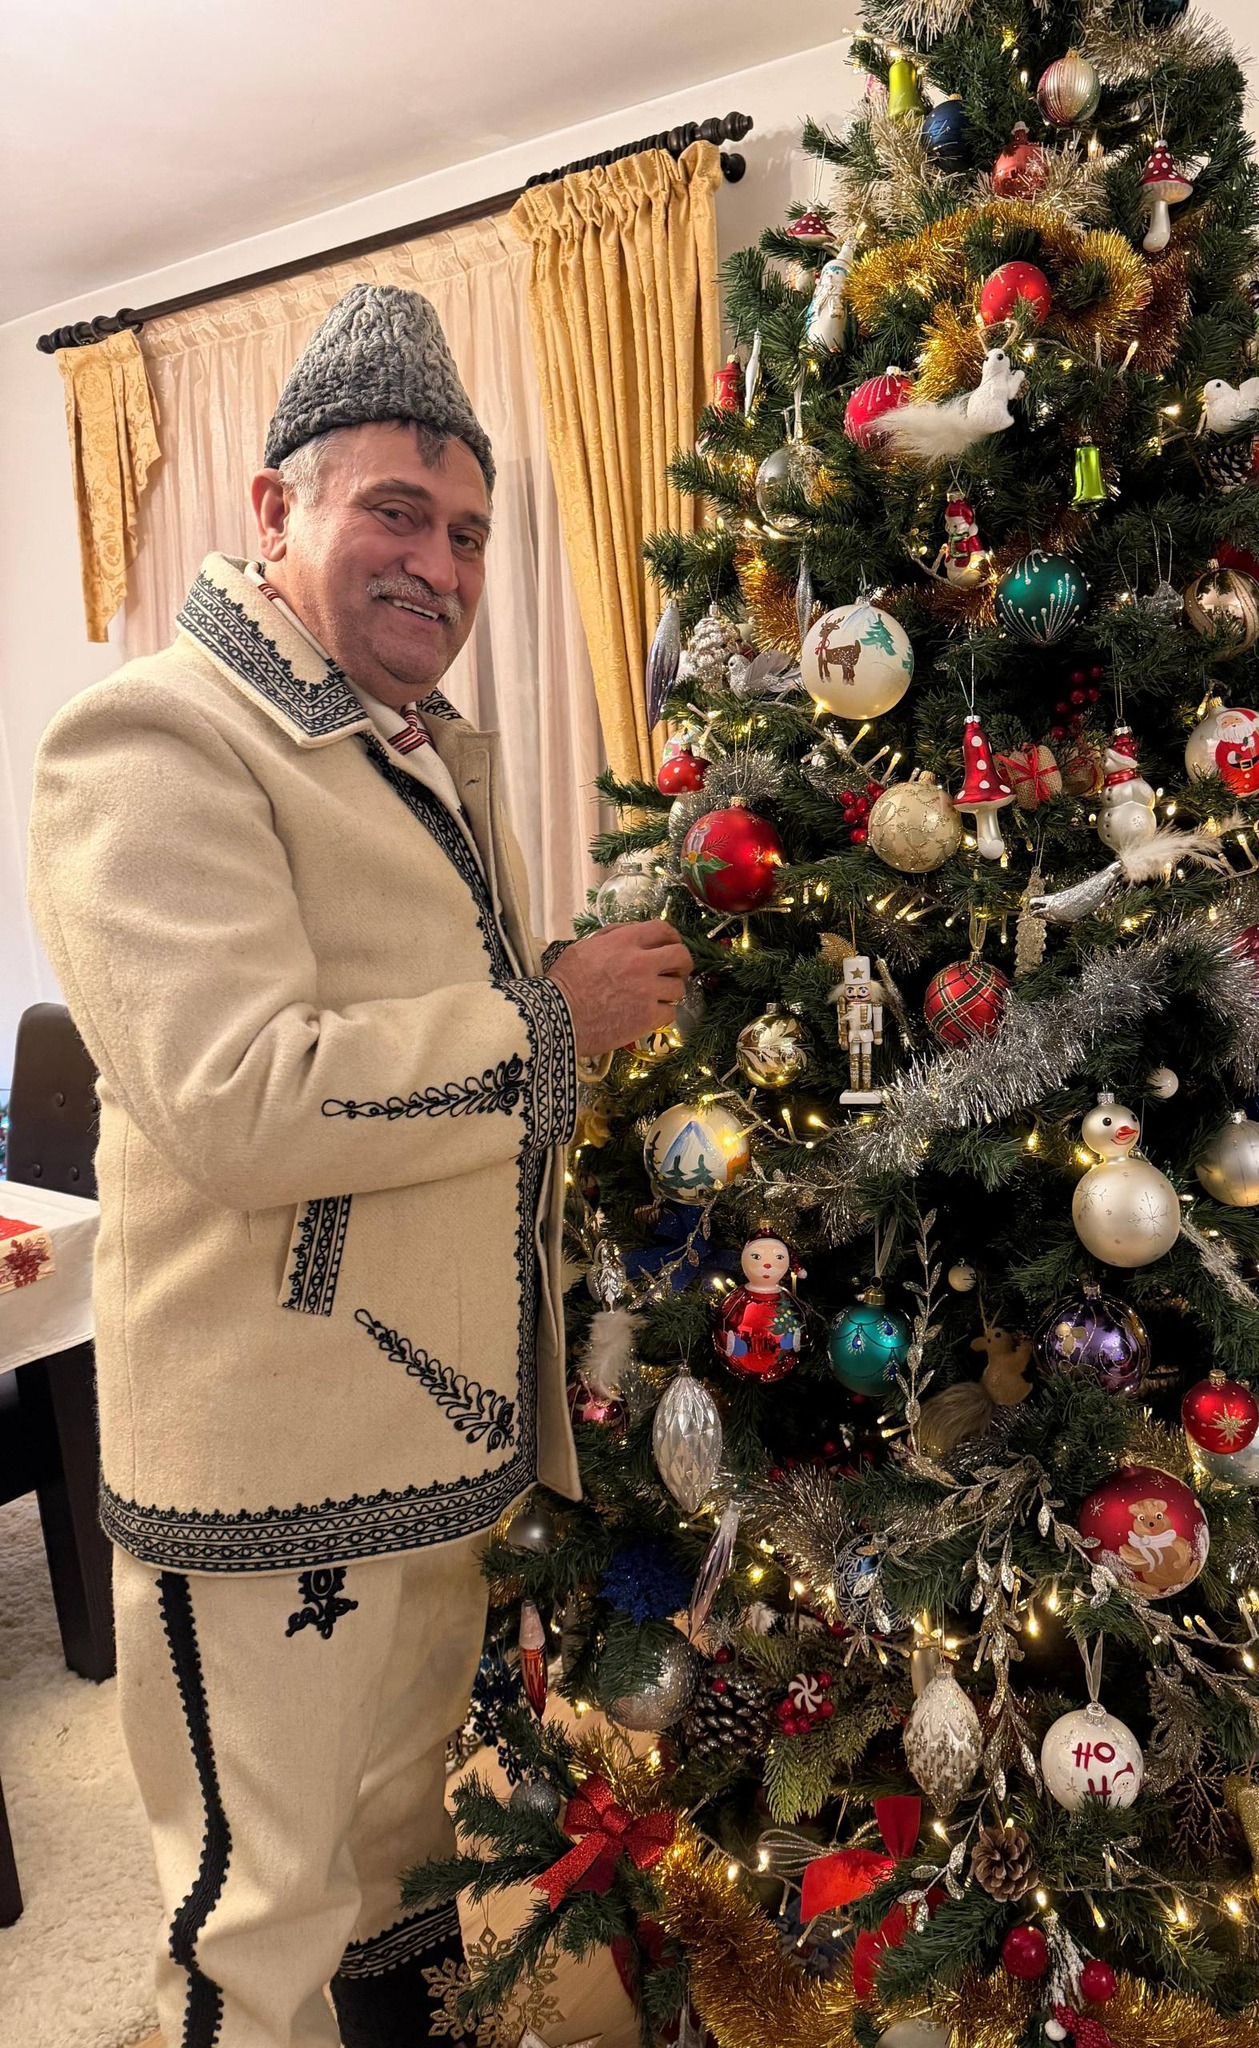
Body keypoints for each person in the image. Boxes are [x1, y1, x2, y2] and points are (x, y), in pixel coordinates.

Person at [27, 282, 692, 2048]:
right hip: (269, 1465)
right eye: (396, 511)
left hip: (432, 1438)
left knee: (402, 1871)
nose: (439, 564)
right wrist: (550, 1025)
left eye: (467, 533)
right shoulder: (155, 738)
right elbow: (238, 1095)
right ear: (274, 510)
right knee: (253, 1922)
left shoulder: (415, 754)